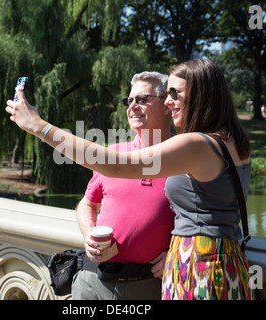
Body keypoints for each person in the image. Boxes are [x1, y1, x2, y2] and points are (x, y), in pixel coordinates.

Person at [6, 58, 255, 300]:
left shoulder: (197, 145)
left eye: (175, 94)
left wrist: (39, 127)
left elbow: (112, 165)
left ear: (201, 96)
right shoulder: (234, 142)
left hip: (199, 266)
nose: (169, 102)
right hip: (228, 260)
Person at [71, 71, 175, 300]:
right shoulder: (112, 155)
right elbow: (87, 204)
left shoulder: (185, 157)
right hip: (92, 281)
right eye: (129, 101)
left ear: (167, 106)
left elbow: (205, 220)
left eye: (142, 99)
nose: (132, 107)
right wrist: (89, 233)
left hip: (149, 285)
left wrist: (176, 253)